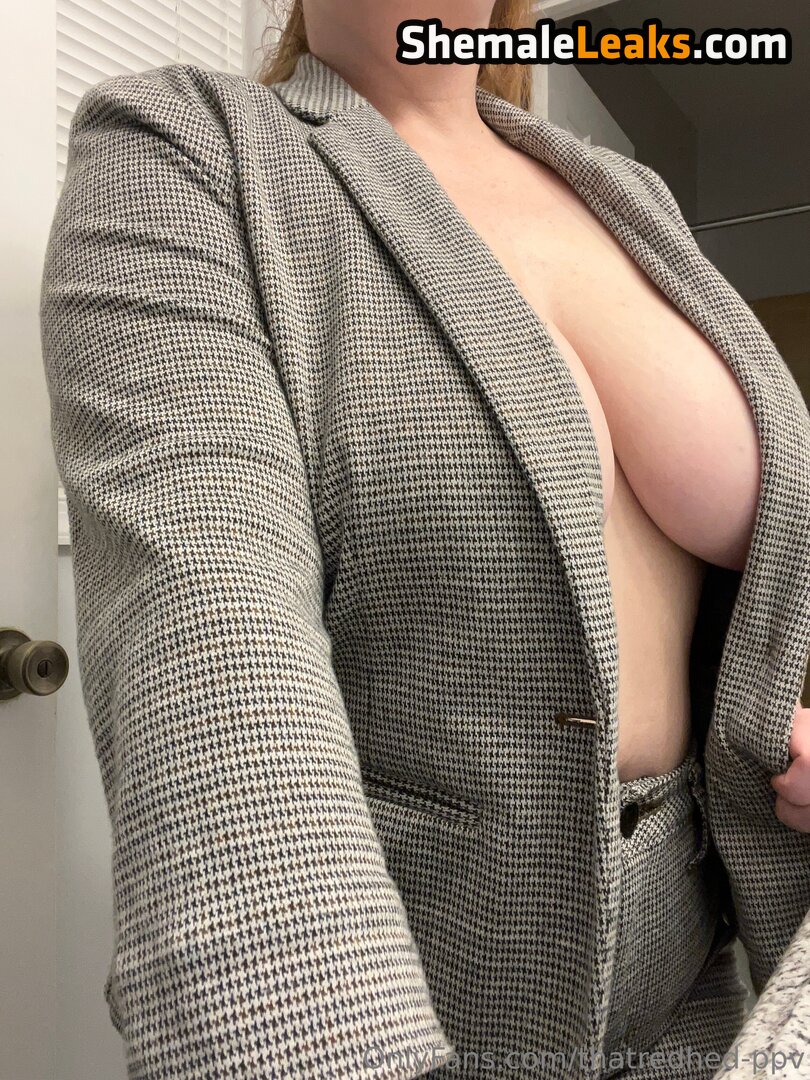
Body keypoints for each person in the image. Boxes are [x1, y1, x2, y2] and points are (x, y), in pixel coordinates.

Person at [39, 1, 810, 1077]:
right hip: (427, 1013)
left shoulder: (628, 194)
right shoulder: (185, 147)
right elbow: (209, 638)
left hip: (714, 1002)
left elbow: (776, 568)